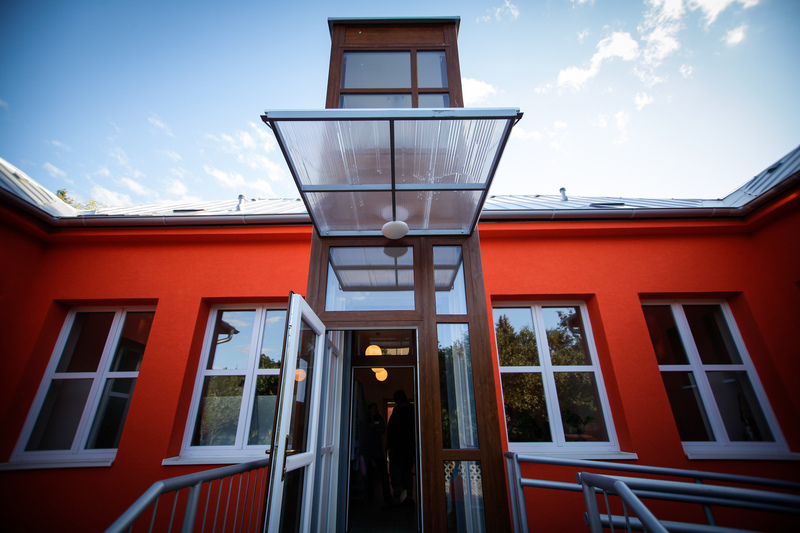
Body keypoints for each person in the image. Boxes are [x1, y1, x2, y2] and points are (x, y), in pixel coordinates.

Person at [386, 389, 415, 506]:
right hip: (409, 447)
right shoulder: (412, 411)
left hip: (397, 448)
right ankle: (409, 496)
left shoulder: (397, 412)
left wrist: (389, 446)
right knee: (407, 471)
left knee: (396, 472)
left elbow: (391, 431)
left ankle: (397, 497)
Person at [364, 403, 392, 503]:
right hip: (368, 449)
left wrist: (374, 428)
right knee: (369, 474)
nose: (373, 410)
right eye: (372, 408)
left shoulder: (379, 419)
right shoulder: (366, 419)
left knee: (383, 472)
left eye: (375, 408)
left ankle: (387, 497)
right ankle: (370, 496)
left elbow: (382, 430)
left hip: (377, 449)